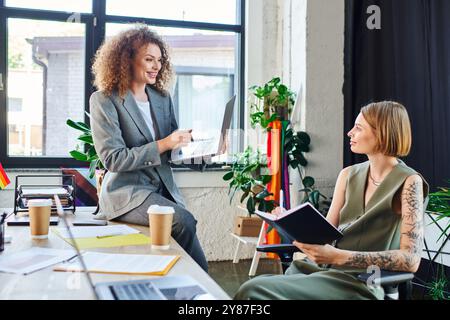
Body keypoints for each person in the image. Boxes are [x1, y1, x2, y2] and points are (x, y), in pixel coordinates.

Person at [234, 101, 429, 299]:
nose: (350, 132)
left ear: (383, 134)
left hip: (362, 281)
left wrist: (338, 256)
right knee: (255, 288)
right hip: (319, 270)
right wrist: (290, 222)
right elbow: (325, 234)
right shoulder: (348, 175)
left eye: (358, 128)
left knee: (252, 291)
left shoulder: (409, 182)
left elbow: (411, 259)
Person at [89, 24, 208, 272]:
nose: (157, 66)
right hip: (127, 193)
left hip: (162, 191)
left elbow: (173, 153)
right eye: (149, 59)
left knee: (199, 263)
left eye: (160, 60)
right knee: (183, 222)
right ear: (127, 60)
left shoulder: (162, 99)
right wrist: (165, 143)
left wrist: (202, 151)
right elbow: (114, 159)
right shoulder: (104, 100)